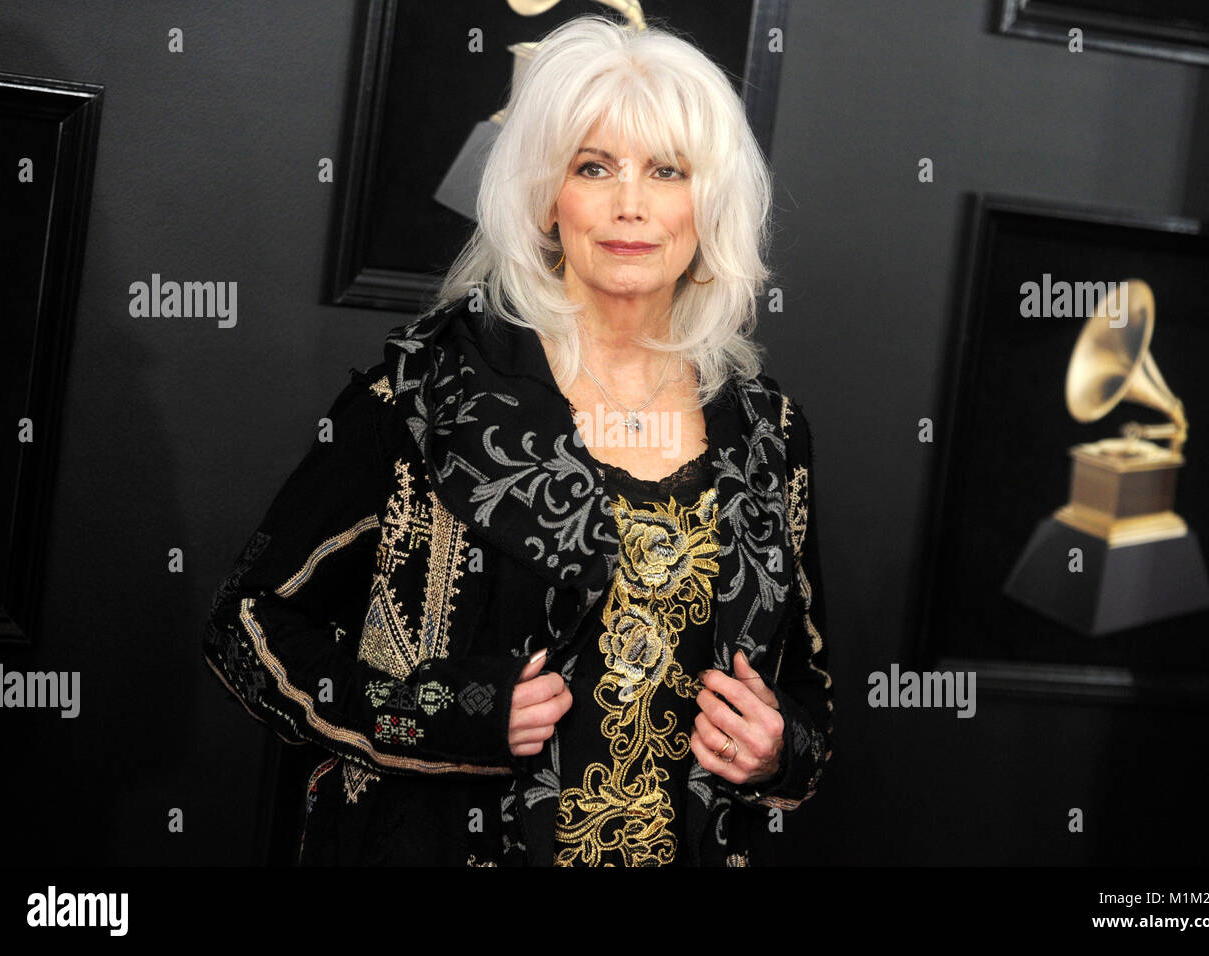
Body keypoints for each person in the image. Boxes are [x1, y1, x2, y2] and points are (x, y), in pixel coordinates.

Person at [203, 13, 832, 867]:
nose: (630, 205)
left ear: (708, 203)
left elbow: (806, 693)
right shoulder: (426, 396)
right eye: (594, 167)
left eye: (667, 171)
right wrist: (447, 713)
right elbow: (248, 625)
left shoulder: (769, 433)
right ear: (546, 197)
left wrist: (779, 748)